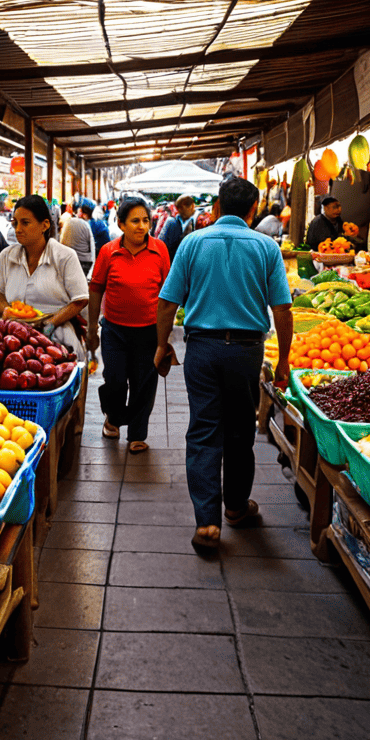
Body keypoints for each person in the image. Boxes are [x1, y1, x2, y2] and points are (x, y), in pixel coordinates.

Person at [154, 177, 293, 553]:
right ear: (253, 210)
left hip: (202, 349)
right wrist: (283, 360)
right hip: (246, 351)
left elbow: (167, 303)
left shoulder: (193, 242)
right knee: (239, 431)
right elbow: (282, 308)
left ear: (216, 207)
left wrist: (161, 344)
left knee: (202, 431)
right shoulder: (266, 247)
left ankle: (207, 523)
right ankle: (234, 507)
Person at [88, 197, 170, 453]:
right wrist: (92, 329)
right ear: (121, 224)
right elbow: (95, 290)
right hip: (114, 330)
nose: (142, 226)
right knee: (114, 380)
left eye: (146, 221)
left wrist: (165, 336)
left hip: (149, 331)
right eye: (135, 221)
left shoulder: (160, 250)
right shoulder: (108, 251)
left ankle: (137, 433)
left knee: (143, 384)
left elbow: (168, 293)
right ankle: (113, 417)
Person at [0, 194, 89, 359]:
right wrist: (7, 311)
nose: (18, 229)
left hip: (58, 337)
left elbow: (80, 299)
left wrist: (50, 324)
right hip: (14, 339)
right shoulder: (6, 256)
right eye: (15, 223)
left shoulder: (65, 256)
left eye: (25, 223)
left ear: (45, 225)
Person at [160, 196, 197, 260]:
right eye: (178, 208)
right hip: (171, 262)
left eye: (182, 208)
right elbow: (161, 243)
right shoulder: (171, 222)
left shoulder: (195, 222)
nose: (180, 211)